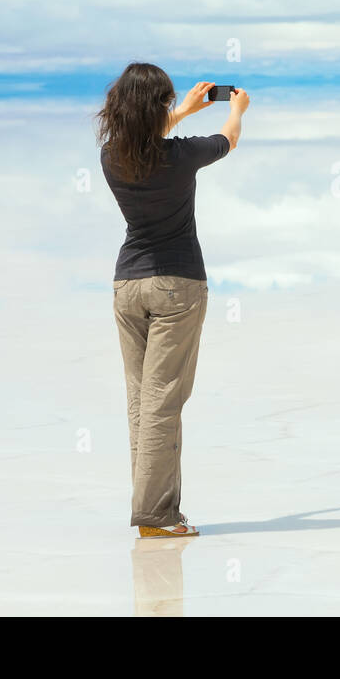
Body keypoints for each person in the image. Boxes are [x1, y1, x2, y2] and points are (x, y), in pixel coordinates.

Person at [96, 63, 249, 537]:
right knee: (163, 401)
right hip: (176, 286)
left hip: (127, 287)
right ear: (159, 106)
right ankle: (156, 515)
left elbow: (145, 137)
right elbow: (228, 140)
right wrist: (236, 109)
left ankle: (154, 510)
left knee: (141, 401)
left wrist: (181, 110)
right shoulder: (182, 156)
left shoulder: (110, 155)